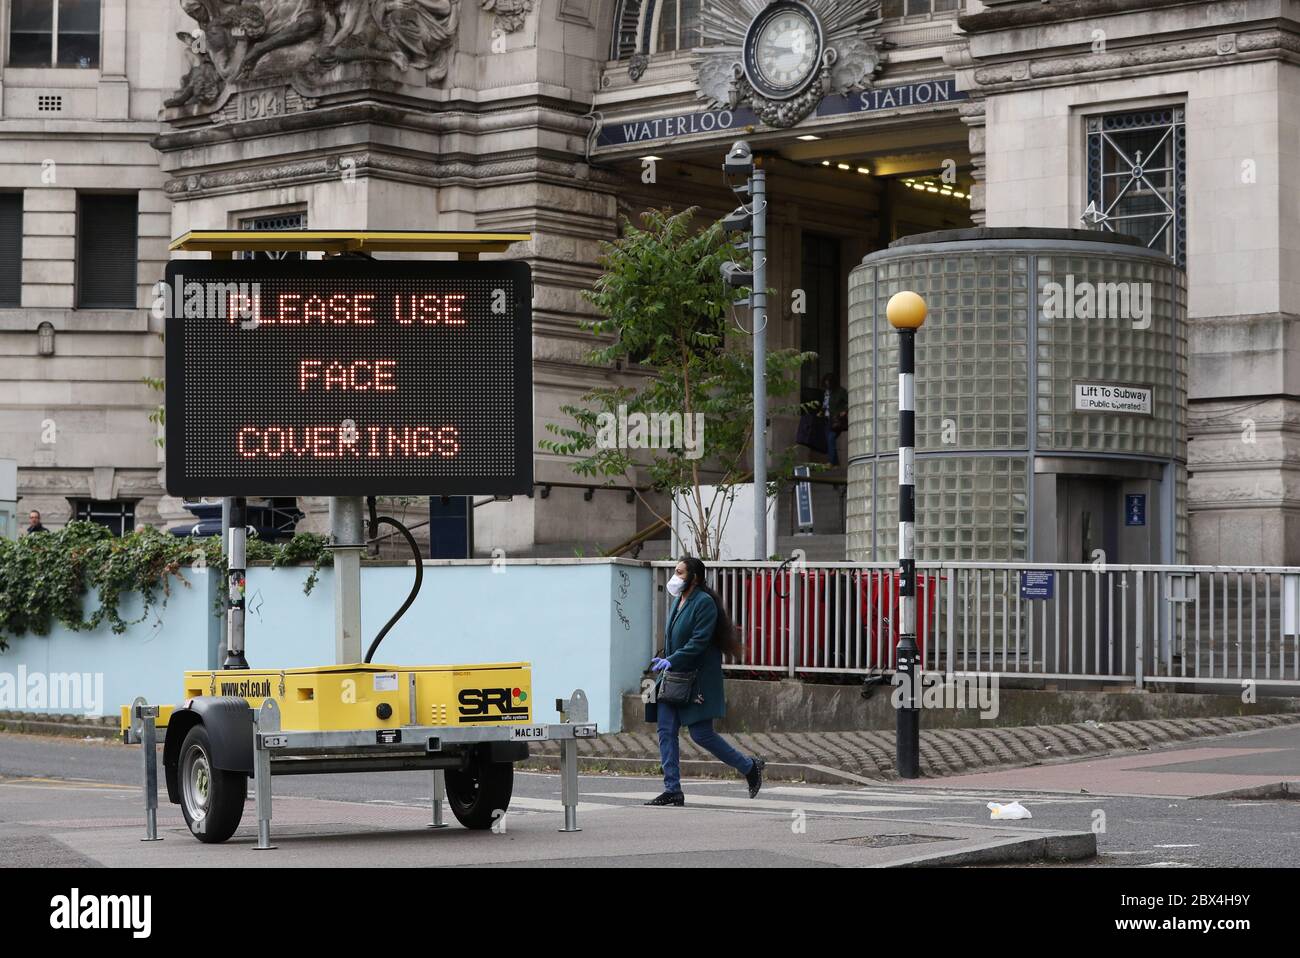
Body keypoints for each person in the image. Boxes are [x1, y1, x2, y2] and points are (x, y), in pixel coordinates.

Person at [645, 556, 765, 806]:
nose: (675, 577)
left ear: (694, 578)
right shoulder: (679, 600)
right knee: (666, 730)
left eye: (679, 572)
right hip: (674, 677)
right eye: (675, 571)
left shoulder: (704, 603)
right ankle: (672, 789)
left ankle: (749, 766)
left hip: (696, 679)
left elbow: (698, 642)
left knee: (701, 734)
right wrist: (665, 658)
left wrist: (673, 659)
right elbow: (674, 637)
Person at [821, 372, 849, 467]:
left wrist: (844, 410)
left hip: (836, 420)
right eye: (826, 383)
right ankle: (835, 463)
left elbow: (849, 401)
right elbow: (825, 405)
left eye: (828, 383)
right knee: (829, 440)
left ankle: (831, 462)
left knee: (830, 438)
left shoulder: (841, 391)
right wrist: (821, 411)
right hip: (827, 419)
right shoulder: (827, 392)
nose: (827, 385)